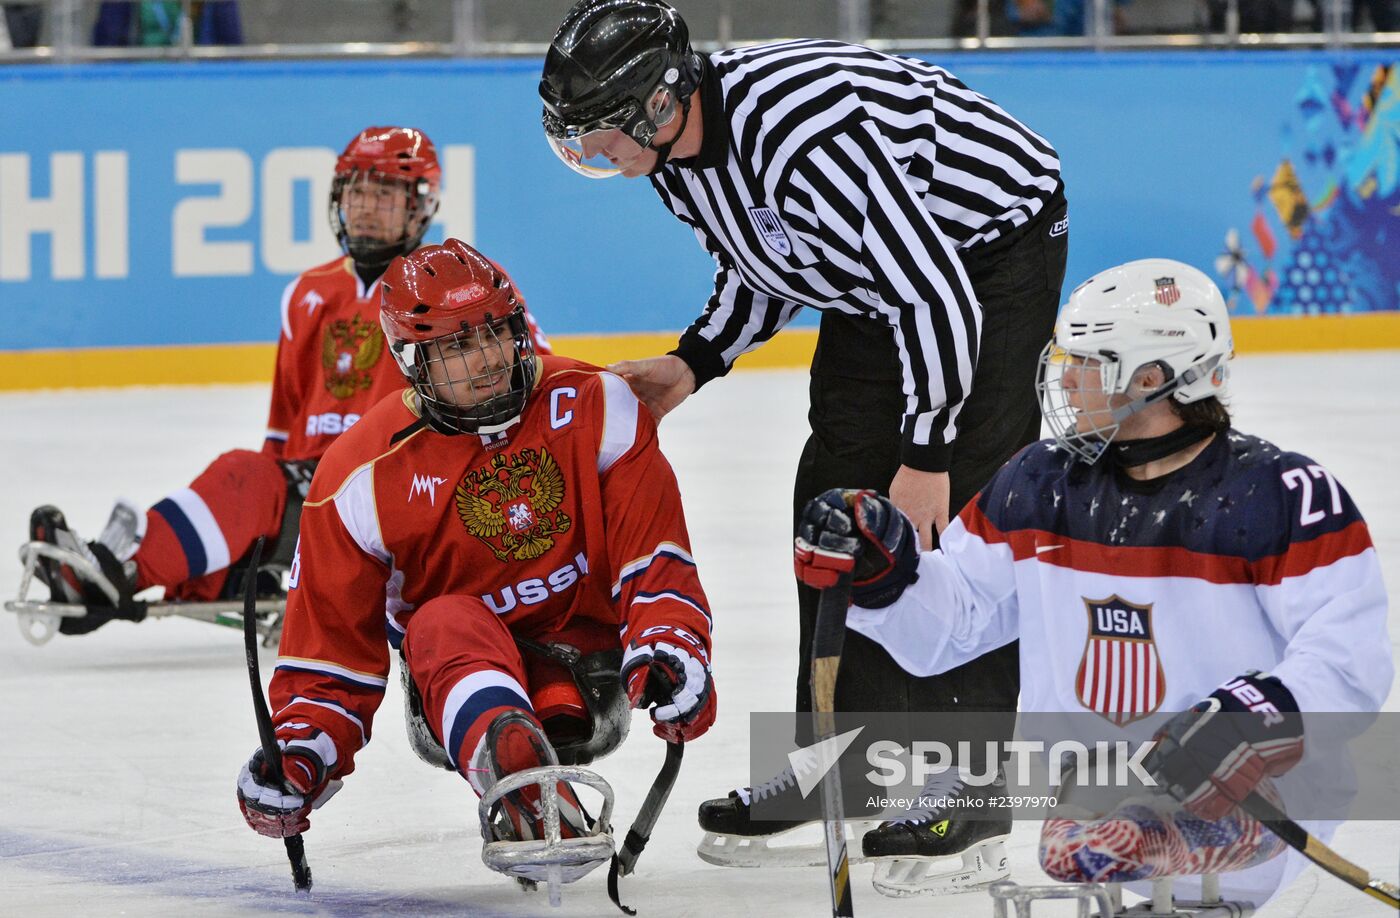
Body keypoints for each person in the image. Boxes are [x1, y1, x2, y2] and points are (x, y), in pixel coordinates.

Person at [538, 0, 1066, 886]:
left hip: (988, 249)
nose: (596, 159)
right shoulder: (674, 164)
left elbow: (935, 296)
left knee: (955, 526)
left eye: (599, 138)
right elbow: (774, 261)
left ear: (660, 109)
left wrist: (930, 455)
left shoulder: (806, 143)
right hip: (889, 277)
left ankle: (971, 794)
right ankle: (845, 766)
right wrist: (694, 359)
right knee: (832, 511)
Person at [794, 258, 1393, 901]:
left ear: (1154, 379)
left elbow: (1350, 661)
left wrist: (1244, 720)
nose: (1065, 378)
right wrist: (887, 573)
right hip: (1100, 794)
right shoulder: (1039, 483)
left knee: (1097, 843)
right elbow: (952, 624)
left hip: (1257, 793)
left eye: (1087, 361)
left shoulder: (1276, 495)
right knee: (1085, 841)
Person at [233, 239, 716, 899]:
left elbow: (653, 558)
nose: (487, 358)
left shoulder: (601, 404)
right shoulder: (357, 477)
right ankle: (514, 774)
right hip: (455, 679)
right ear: (413, 361)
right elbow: (329, 651)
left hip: (591, 664)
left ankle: (531, 751)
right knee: (443, 621)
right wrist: (301, 752)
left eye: (494, 332)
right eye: (458, 346)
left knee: (520, 667)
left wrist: (673, 648)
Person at [22, 126, 547, 637]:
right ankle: (118, 572)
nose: (365, 206)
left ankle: (110, 573)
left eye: (384, 193)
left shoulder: (460, 286)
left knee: (245, 482)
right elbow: (282, 431)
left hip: (408, 484)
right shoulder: (306, 293)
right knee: (241, 502)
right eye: (357, 191)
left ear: (421, 206)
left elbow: (532, 374)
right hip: (313, 488)